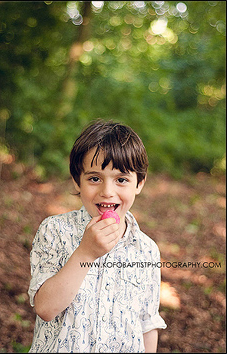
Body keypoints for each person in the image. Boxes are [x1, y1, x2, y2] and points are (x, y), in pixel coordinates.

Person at [28, 119, 166, 352]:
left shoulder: (147, 250)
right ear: (77, 181)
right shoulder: (55, 231)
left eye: (121, 180)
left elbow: (147, 323)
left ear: (139, 183)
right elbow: (45, 308)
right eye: (94, 178)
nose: (107, 192)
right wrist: (85, 253)